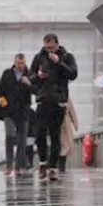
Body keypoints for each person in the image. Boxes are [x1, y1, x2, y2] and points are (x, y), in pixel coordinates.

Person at [30, 32, 79, 182]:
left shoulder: (67, 56)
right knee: (40, 133)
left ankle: (53, 167)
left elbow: (73, 74)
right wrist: (38, 76)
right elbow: (31, 78)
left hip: (58, 100)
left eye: (52, 47)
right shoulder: (39, 57)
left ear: (57, 45)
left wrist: (59, 63)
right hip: (43, 100)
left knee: (55, 134)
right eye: (47, 48)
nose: (49, 51)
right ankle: (43, 162)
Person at [0, 53, 34, 174]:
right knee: (10, 136)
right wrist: (1, 100)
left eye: (23, 63)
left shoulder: (29, 74)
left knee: (22, 139)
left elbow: (36, 90)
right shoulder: (7, 74)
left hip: (23, 111)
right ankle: (9, 165)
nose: (21, 66)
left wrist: (28, 83)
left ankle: (19, 166)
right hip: (9, 110)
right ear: (15, 62)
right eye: (19, 63)